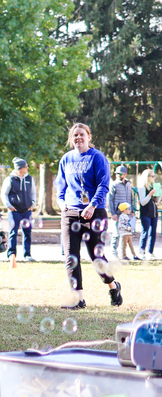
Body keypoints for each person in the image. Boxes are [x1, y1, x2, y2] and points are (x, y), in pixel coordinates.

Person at [55, 122, 122, 308]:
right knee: (71, 256)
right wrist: (63, 205)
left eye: (81, 134)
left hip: (94, 213)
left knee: (97, 258)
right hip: (70, 213)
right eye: (75, 135)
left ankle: (113, 285)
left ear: (88, 136)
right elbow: (60, 186)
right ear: (71, 138)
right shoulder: (66, 159)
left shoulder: (97, 157)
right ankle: (78, 299)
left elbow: (104, 185)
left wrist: (92, 205)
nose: (78, 138)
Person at [1, 158, 37, 262]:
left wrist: (33, 203)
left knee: (27, 232)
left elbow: (33, 192)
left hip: (27, 210)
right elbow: (4, 194)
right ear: (20, 168)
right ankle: (12, 255)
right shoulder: (10, 179)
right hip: (14, 210)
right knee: (13, 232)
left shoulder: (29, 178)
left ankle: (27, 254)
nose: (27, 168)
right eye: (26, 166)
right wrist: (8, 205)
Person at [107, 165, 133, 257]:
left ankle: (123, 254)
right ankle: (114, 252)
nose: (118, 175)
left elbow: (131, 198)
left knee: (125, 234)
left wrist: (132, 210)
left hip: (127, 214)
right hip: (117, 214)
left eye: (120, 173)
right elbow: (110, 199)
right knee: (116, 233)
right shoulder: (114, 184)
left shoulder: (129, 184)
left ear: (125, 174)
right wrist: (113, 213)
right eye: (116, 173)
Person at [137, 169, 158, 258]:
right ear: (147, 177)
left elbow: (157, 202)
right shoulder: (142, 187)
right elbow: (142, 202)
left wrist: (159, 194)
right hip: (146, 213)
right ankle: (142, 252)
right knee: (145, 232)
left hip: (154, 213)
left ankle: (150, 252)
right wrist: (150, 194)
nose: (154, 177)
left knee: (153, 233)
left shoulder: (153, 186)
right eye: (152, 176)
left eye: (154, 176)